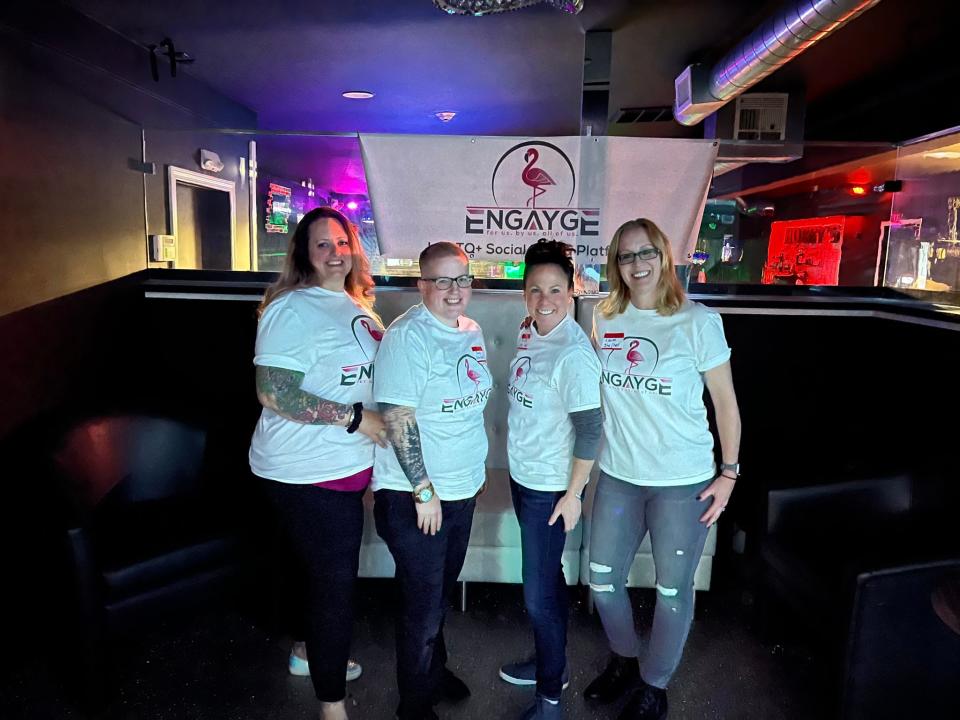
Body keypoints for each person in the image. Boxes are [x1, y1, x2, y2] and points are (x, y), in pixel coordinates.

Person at [585, 218, 741, 720]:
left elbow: (725, 404)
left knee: (673, 590)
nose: (637, 264)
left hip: (683, 482)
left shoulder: (698, 322)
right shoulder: (604, 318)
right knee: (603, 582)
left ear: (664, 255)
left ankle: (655, 684)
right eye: (626, 256)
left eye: (646, 252)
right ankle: (625, 661)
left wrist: (729, 473)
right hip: (618, 475)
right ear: (616, 264)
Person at [249, 206, 387, 720]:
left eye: (341, 242)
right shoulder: (292, 307)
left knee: (321, 575)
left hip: (343, 468)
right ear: (305, 256)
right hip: (303, 471)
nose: (334, 252)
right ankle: (332, 707)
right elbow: (273, 392)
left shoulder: (356, 304)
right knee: (334, 586)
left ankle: (309, 652)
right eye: (322, 245)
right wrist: (355, 419)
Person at [373, 242, 492, 720]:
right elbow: (398, 416)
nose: (453, 290)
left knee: (439, 593)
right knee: (422, 608)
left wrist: (474, 474)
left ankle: (433, 673)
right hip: (415, 497)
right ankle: (414, 706)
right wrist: (424, 490)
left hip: (461, 491)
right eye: (441, 280)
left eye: (461, 279)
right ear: (422, 285)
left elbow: (466, 410)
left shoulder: (472, 330)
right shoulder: (408, 337)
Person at [497, 241, 602, 719]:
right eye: (535, 289)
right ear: (524, 294)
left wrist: (574, 495)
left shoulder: (573, 354)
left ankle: (551, 701)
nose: (545, 299)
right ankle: (550, 667)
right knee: (550, 581)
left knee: (538, 596)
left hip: (550, 492)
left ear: (572, 290)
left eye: (555, 289)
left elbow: (590, 429)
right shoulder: (533, 331)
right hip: (525, 479)